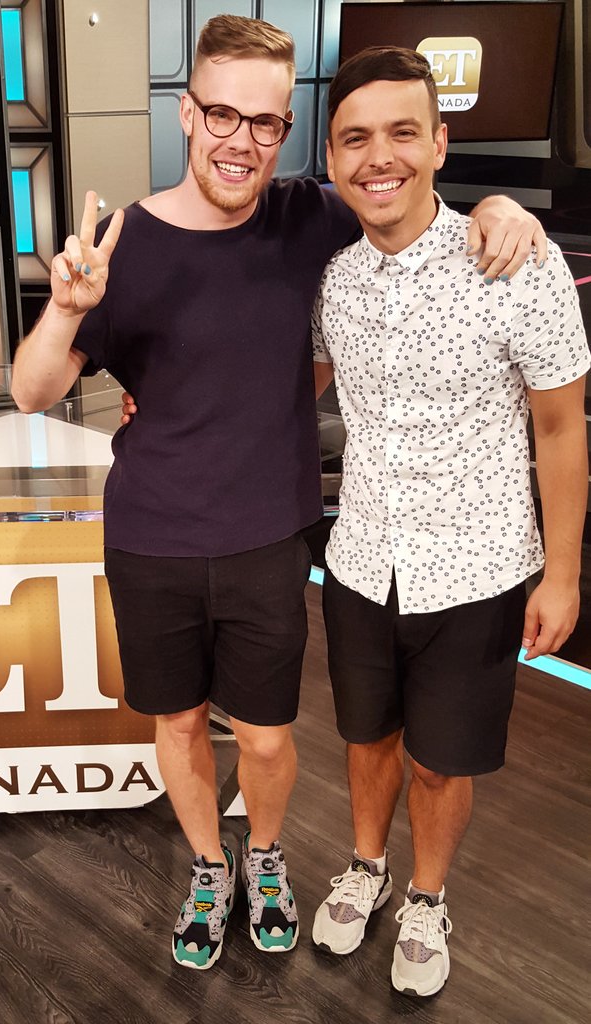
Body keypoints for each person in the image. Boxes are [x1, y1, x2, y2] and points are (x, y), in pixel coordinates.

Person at [12, 15, 547, 972]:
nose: (241, 140)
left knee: (264, 739)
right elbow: (30, 391)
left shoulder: (309, 215)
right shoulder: (121, 242)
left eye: (264, 121)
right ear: (187, 114)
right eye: (221, 114)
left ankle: (264, 859)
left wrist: (502, 207)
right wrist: (63, 310)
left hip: (268, 535)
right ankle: (208, 867)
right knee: (179, 723)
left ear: (286, 131)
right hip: (150, 535)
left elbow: (406, 197)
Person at [308, 46, 589, 997]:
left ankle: (426, 896)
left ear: (437, 142)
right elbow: (287, 390)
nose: (377, 155)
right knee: (366, 739)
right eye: (354, 138)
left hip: (476, 568)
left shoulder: (516, 263)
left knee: (438, 763)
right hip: (359, 559)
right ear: (332, 157)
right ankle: (366, 866)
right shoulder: (333, 281)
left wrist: (561, 575)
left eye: (401, 132)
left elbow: (560, 428)